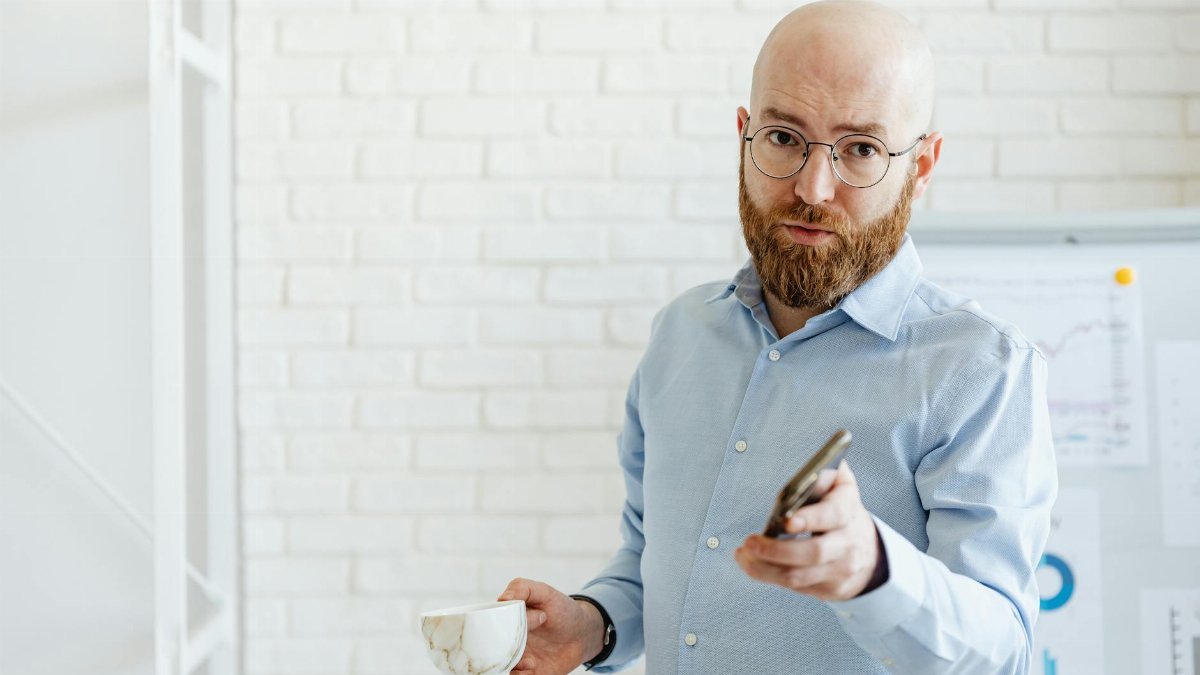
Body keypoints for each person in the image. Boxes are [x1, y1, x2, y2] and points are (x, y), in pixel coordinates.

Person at [497, 1, 1057, 673]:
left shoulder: (982, 370)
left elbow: (1001, 650)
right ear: (743, 134)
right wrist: (593, 624)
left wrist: (875, 572)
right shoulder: (681, 335)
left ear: (923, 164)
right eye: (785, 138)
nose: (813, 188)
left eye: (861, 149)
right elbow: (659, 557)